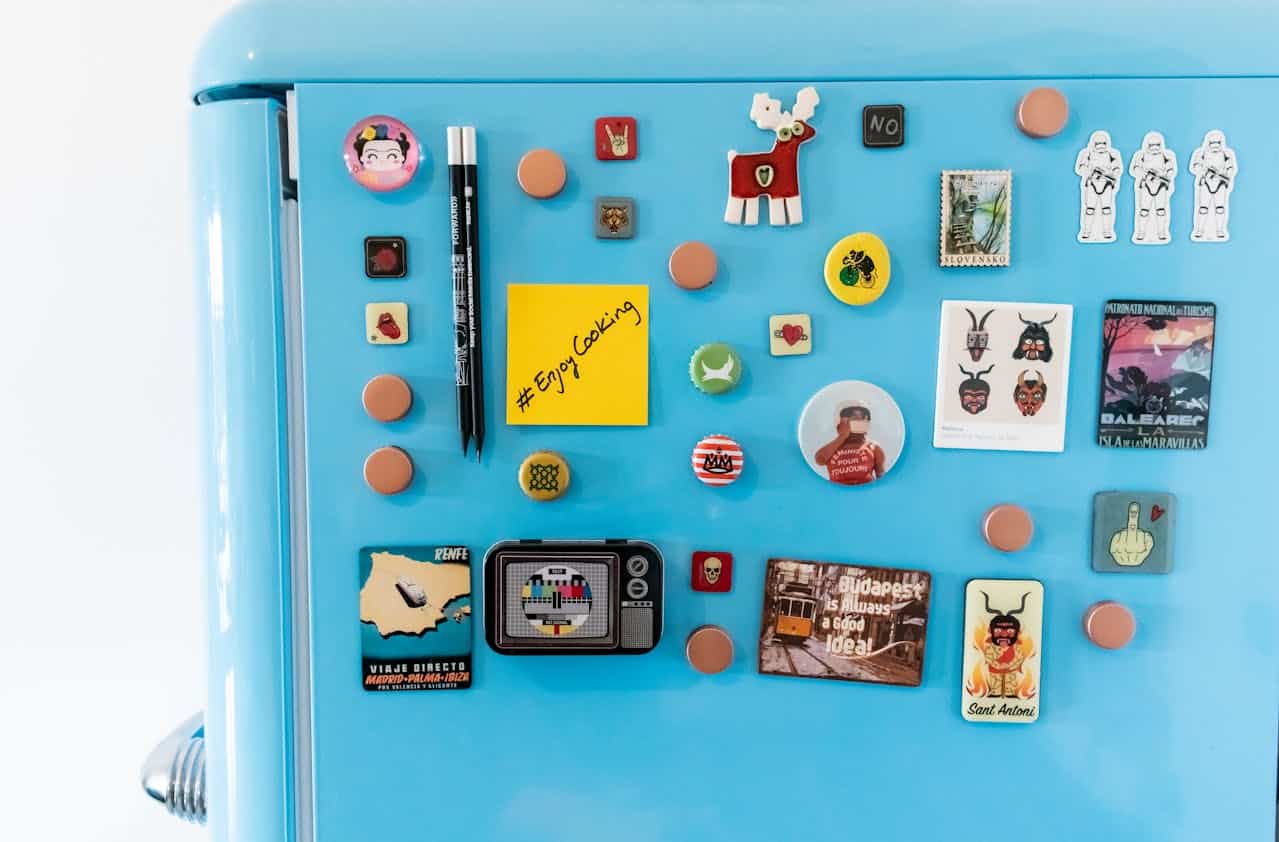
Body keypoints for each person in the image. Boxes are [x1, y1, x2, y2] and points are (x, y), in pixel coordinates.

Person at [814, 401, 885, 486]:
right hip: (839, 495)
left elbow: (882, 480)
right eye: (854, 417)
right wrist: (842, 436)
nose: (859, 421)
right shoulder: (833, 448)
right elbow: (819, 460)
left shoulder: (873, 448)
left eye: (863, 418)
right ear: (840, 422)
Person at [1074, 130, 1123, 242]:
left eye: (1103, 144)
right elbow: (1081, 167)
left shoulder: (1112, 154)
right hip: (1092, 184)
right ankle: (1087, 231)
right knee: (1090, 209)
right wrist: (1091, 172)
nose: (1101, 147)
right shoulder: (1087, 153)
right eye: (1098, 144)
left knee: (1106, 209)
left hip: (1106, 184)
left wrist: (1110, 174)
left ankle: (1107, 231)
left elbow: (1117, 168)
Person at [1189, 130, 1237, 242]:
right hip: (1205, 183)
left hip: (1220, 184)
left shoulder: (1226, 154)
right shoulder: (1202, 153)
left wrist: (1224, 175)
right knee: (1203, 208)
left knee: (1220, 208)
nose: (1215, 146)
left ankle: (1220, 230)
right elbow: (1196, 166)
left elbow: (1231, 168)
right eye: (1213, 143)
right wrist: (1204, 172)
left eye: (1217, 143)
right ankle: (1200, 229)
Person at [1129, 131, 1177, 244]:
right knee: (1144, 211)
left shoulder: (1166, 155)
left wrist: (1165, 175)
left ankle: (1161, 232)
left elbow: (1171, 169)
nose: (1155, 148)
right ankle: (1141, 232)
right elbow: (1136, 168)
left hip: (1161, 185)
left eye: (1157, 145)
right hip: (1146, 185)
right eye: (1152, 146)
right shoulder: (1141, 155)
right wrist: (1145, 174)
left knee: (1161, 210)